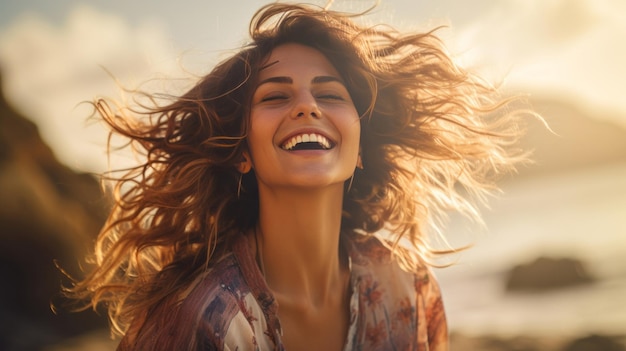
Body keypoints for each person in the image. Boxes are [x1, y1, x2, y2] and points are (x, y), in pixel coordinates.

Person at [63, 3, 527, 350]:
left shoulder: (406, 286)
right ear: (242, 152)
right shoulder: (205, 320)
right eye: (274, 98)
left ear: (360, 148)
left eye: (329, 94)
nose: (307, 106)